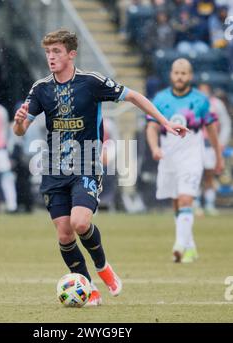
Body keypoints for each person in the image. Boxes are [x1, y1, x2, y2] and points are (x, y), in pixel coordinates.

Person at [13, 29, 188, 306]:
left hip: (87, 164)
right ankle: (89, 289)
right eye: (48, 52)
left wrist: (165, 123)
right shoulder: (41, 88)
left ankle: (104, 268)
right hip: (54, 169)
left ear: (71, 54)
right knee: (64, 233)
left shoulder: (91, 82)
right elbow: (20, 131)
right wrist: (20, 121)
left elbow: (133, 96)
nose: (51, 57)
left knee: (80, 222)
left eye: (56, 51)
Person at [146, 58, 224, 264]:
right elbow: (152, 127)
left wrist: (218, 156)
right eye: (176, 73)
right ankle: (190, 247)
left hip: (191, 157)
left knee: (185, 199)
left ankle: (179, 246)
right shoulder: (161, 99)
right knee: (176, 202)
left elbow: (212, 130)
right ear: (171, 75)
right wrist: (155, 148)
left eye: (184, 73)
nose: (180, 76)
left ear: (190, 76)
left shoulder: (201, 100)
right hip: (169, 157)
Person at [196, 83, 232, 215]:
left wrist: (221, 142)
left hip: (211, 145)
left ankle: (209, 204)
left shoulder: (216, 104)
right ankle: (196, 203)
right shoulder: (192, 103)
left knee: (209, 175)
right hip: (196, 145)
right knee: (195, 175)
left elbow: (226, 123)